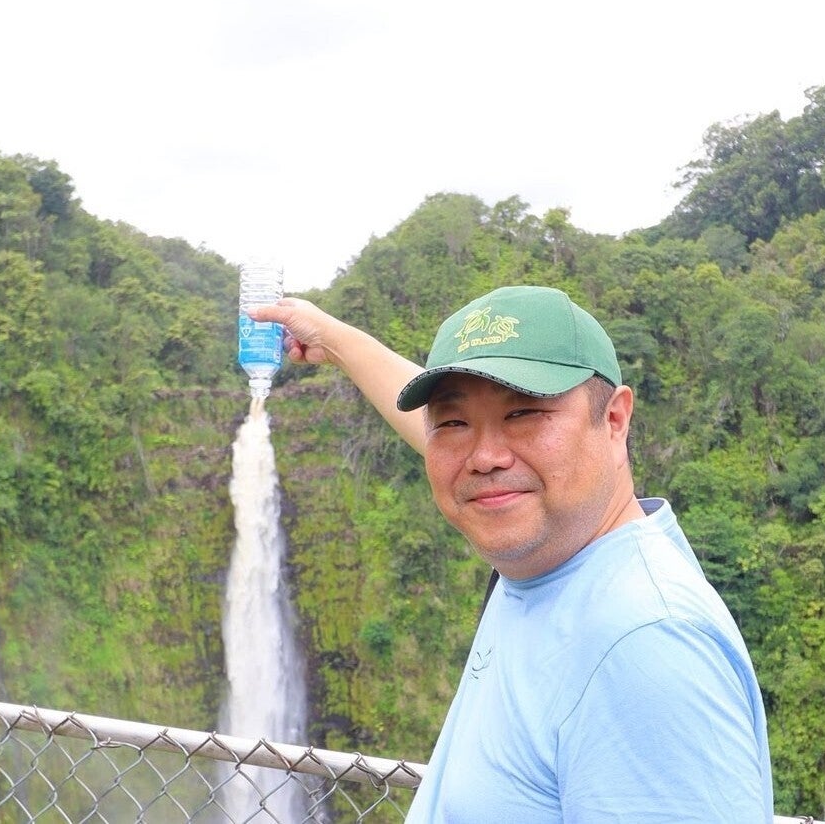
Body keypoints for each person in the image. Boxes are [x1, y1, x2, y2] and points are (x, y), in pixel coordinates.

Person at [252, 285, 773, 823]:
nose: (485, 458)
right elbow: (469, 458)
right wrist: (336, 341)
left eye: (525, 413)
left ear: (614, 420)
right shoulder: (563, 558)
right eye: (454, 422)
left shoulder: (643, 646)